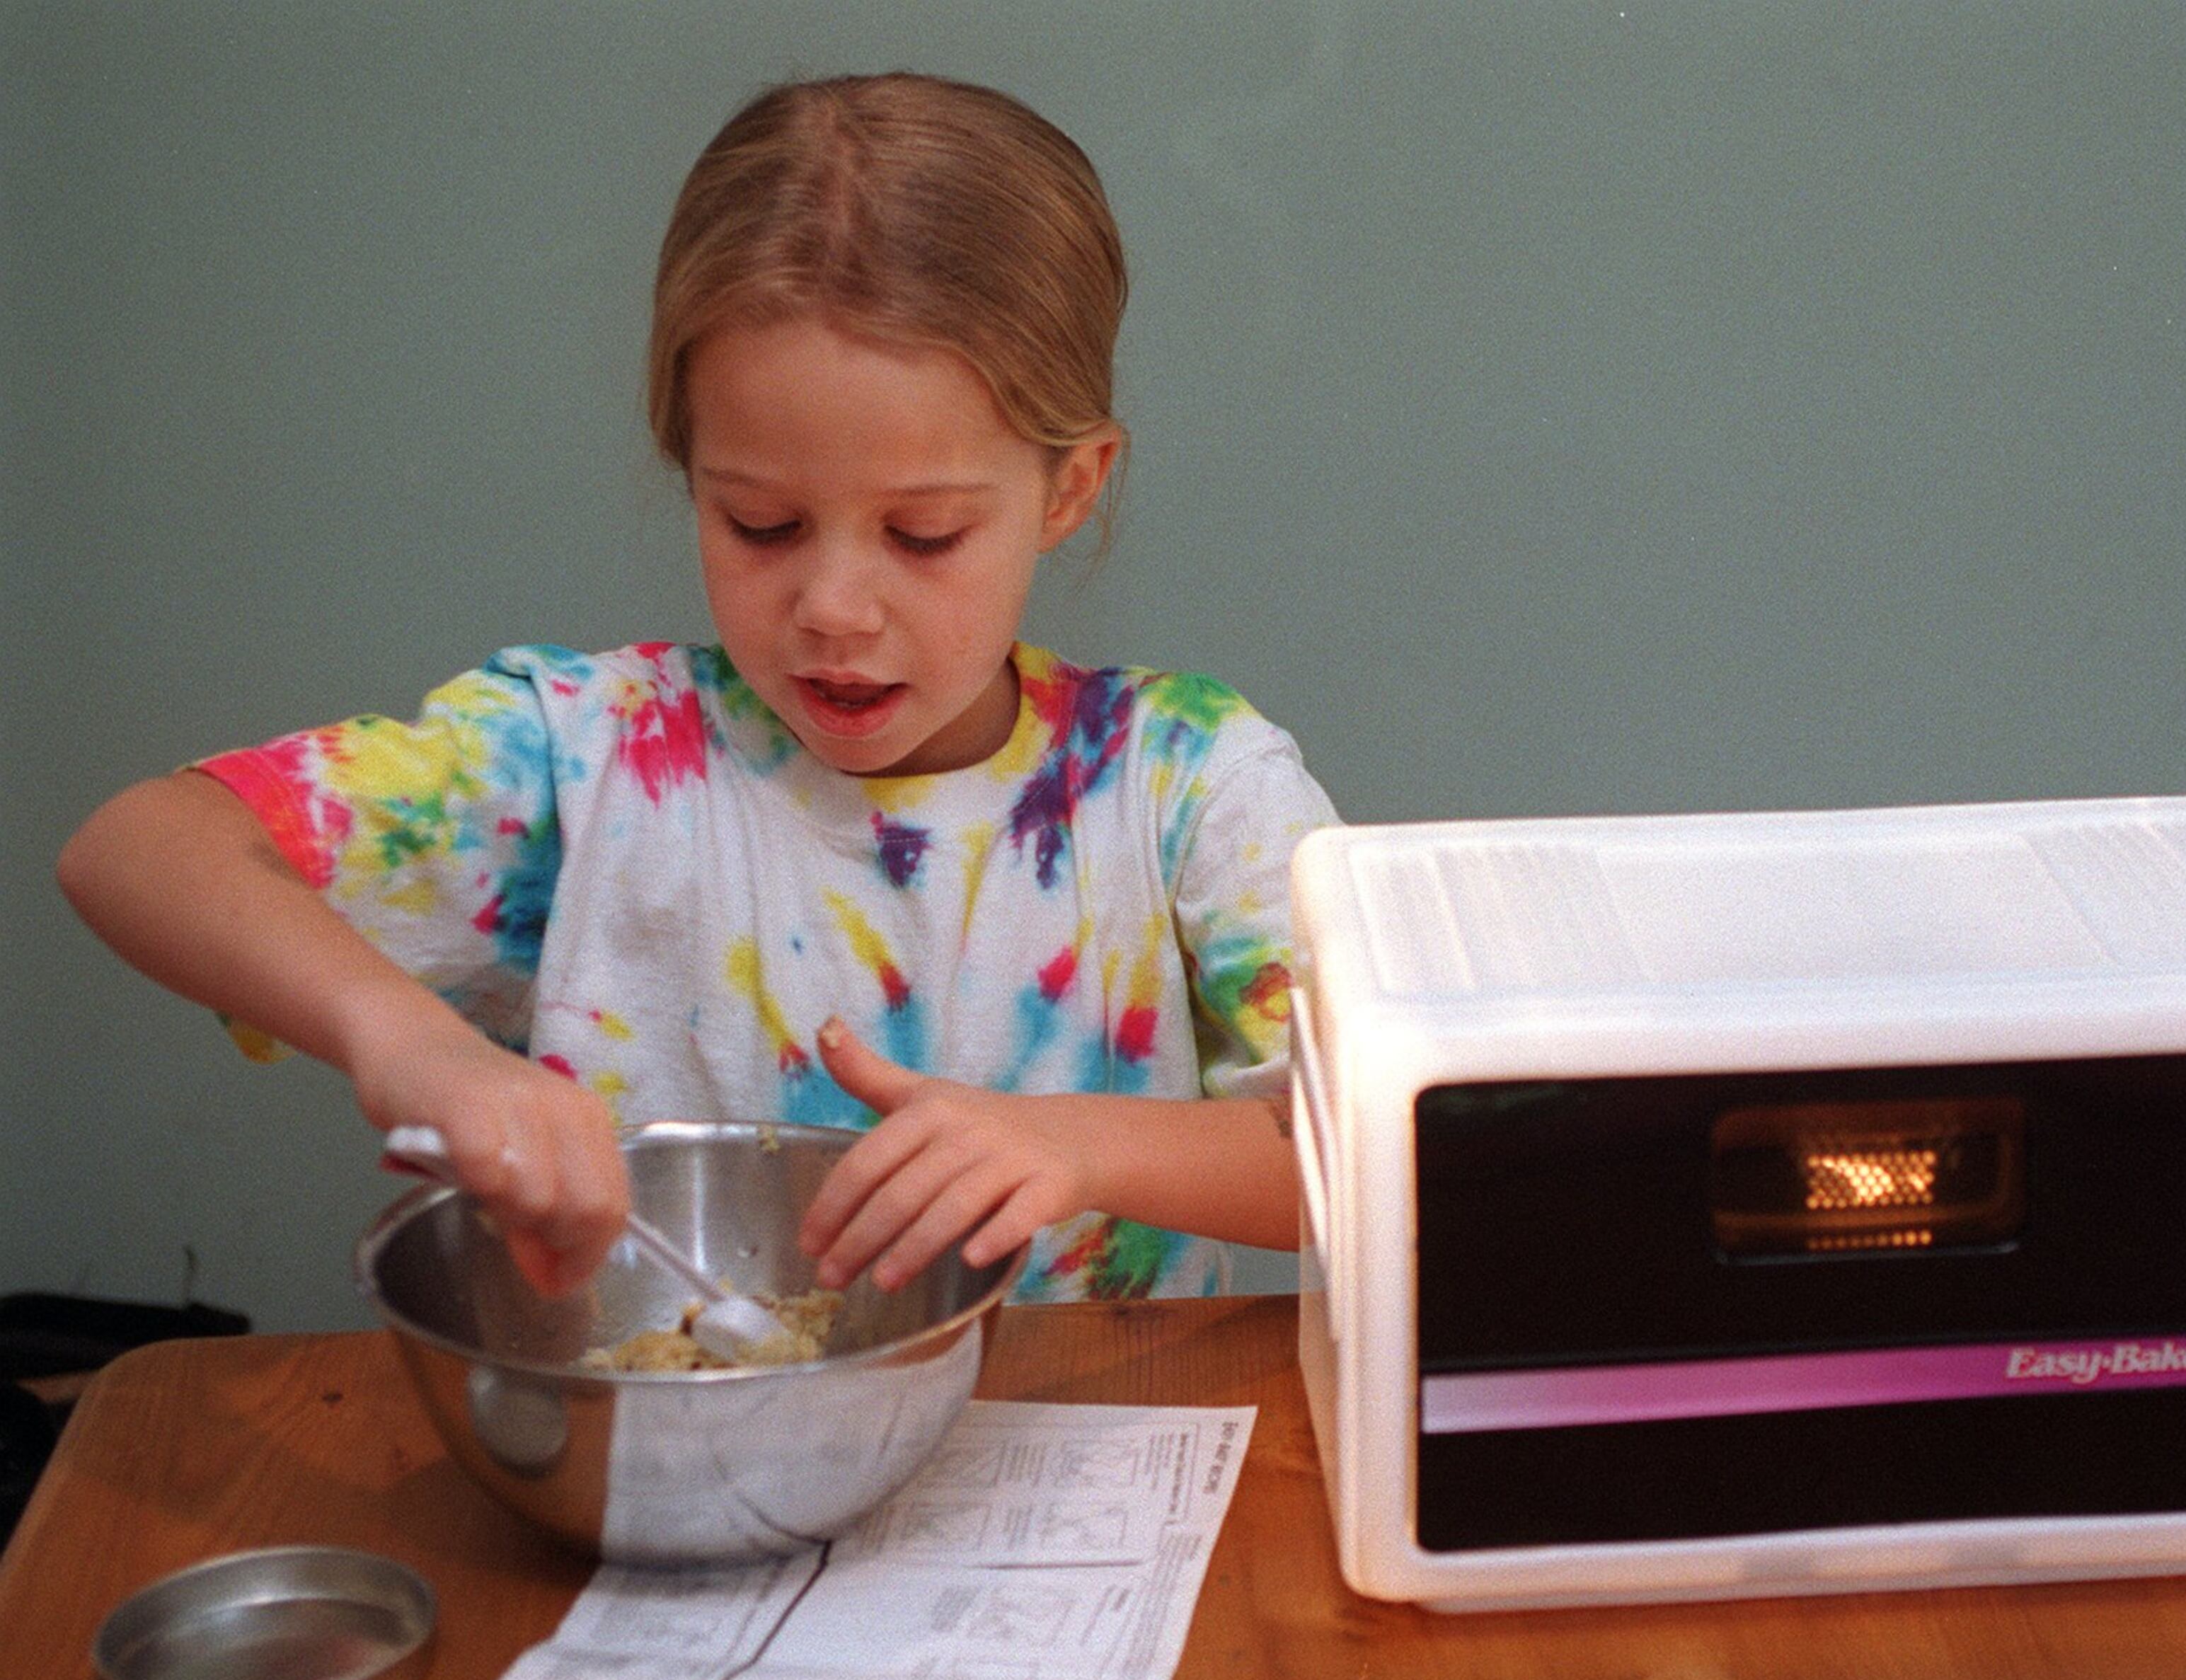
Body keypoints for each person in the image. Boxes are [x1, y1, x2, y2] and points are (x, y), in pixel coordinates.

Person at [57, 71, 1337, 1306]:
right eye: (762, 524)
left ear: (1069, 487)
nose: (833, 606)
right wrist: (415, 1044)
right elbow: (133, 850)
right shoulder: (591, 761)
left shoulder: (1185, 786)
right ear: (691, 468)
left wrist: (1078, 1150)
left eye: (925, 534)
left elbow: (1401, 1155)